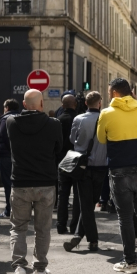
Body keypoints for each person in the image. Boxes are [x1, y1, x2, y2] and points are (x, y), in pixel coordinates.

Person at [97, 78, 137, 274]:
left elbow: (101, 138)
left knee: (125, 217)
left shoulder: (106, 113)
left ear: (115, 93)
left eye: (109, 92)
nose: (108, 95)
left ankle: (130, 261)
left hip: (119, 170)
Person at [7, 89, 63, 274]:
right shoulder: (54, 124)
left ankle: (20, 267)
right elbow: (59, 151)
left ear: (23, 104)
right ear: (42, 104)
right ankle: (39, 269)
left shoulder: (11, 123)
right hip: (46, 182)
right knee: (43, 228)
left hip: (20, 182)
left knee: (18, 227)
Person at [63, 91, 108, 252]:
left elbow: (72, 139)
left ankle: (81, 236)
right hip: (101, 165)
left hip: (82, 166)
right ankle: (91, 239)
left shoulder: (78, 119)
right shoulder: (105, 118)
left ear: (85, 104)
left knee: (86, 204)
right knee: (90, 204)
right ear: (99, 103)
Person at [56, 94, 80, 234]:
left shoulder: (58, 120)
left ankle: (61, 225)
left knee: (63, 194)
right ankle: (74, 225)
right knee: (77, 194)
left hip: (62, 161)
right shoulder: (79, 119)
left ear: (62, 105)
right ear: (75, 104)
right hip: (77, 160)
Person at [0, 99, 20, 219]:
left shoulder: (5, 119)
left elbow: (4, 136)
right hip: (19, 156)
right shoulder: (21, 117)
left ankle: (9, 210)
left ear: (7, 108)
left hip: (6, 156)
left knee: (8, 184)